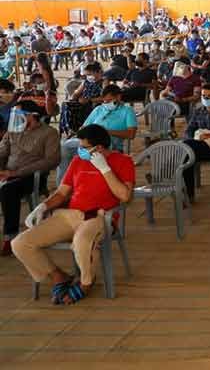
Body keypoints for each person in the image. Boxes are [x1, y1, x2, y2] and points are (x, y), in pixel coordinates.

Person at [12, 124, 134, 305]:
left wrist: (104, 169)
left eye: (84, 147)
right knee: (21, 243)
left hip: (99, 217)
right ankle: (58, 276)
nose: (80, 150)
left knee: (82, 241)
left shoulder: (123, 161)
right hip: (69, 215)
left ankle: (86, 283)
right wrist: (42, 207)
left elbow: (125, 196)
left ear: (99, 148)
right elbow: (62, 193)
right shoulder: (78, 161)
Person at [0, 101, 60, 254]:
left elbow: (51, 160)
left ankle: (10, 237)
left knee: (8, 190)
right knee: (7, 186)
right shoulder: (13, 131)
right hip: (7, 173)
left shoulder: (49, 133)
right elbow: (2, 152)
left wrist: (15, 173)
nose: (14, 117)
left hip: (31, 176)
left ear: (32, 116)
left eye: (18, 114)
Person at [58, 85, 137, 184]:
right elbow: (84, 127)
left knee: (91, 152)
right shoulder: (99, 109)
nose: (106, 104)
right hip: (89, 140)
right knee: (64, 147)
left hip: (109, 143)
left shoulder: (127, 111)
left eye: (109, 101)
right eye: (105, 101)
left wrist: (106, 131)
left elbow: (131, 134)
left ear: (118, 97)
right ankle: (63, 184)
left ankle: (85, 182)